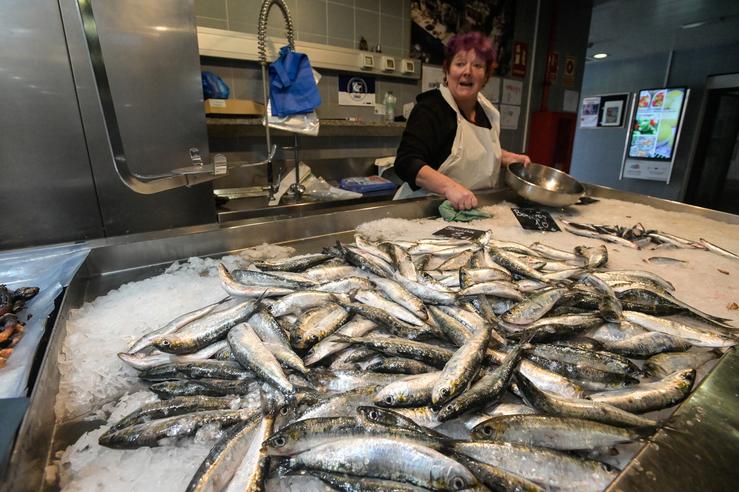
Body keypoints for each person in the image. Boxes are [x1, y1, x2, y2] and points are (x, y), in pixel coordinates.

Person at [393, 31, 531, 210]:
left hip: (469, 213)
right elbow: (406, 162)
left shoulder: (487, 112)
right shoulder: (431, 108)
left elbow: (475, 149)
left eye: (477, 66)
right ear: (447, 69)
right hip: (423, 212)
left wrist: (505, 158)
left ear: (486, 76)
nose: (467, 72)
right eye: (460, 63)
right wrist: (450, 187)